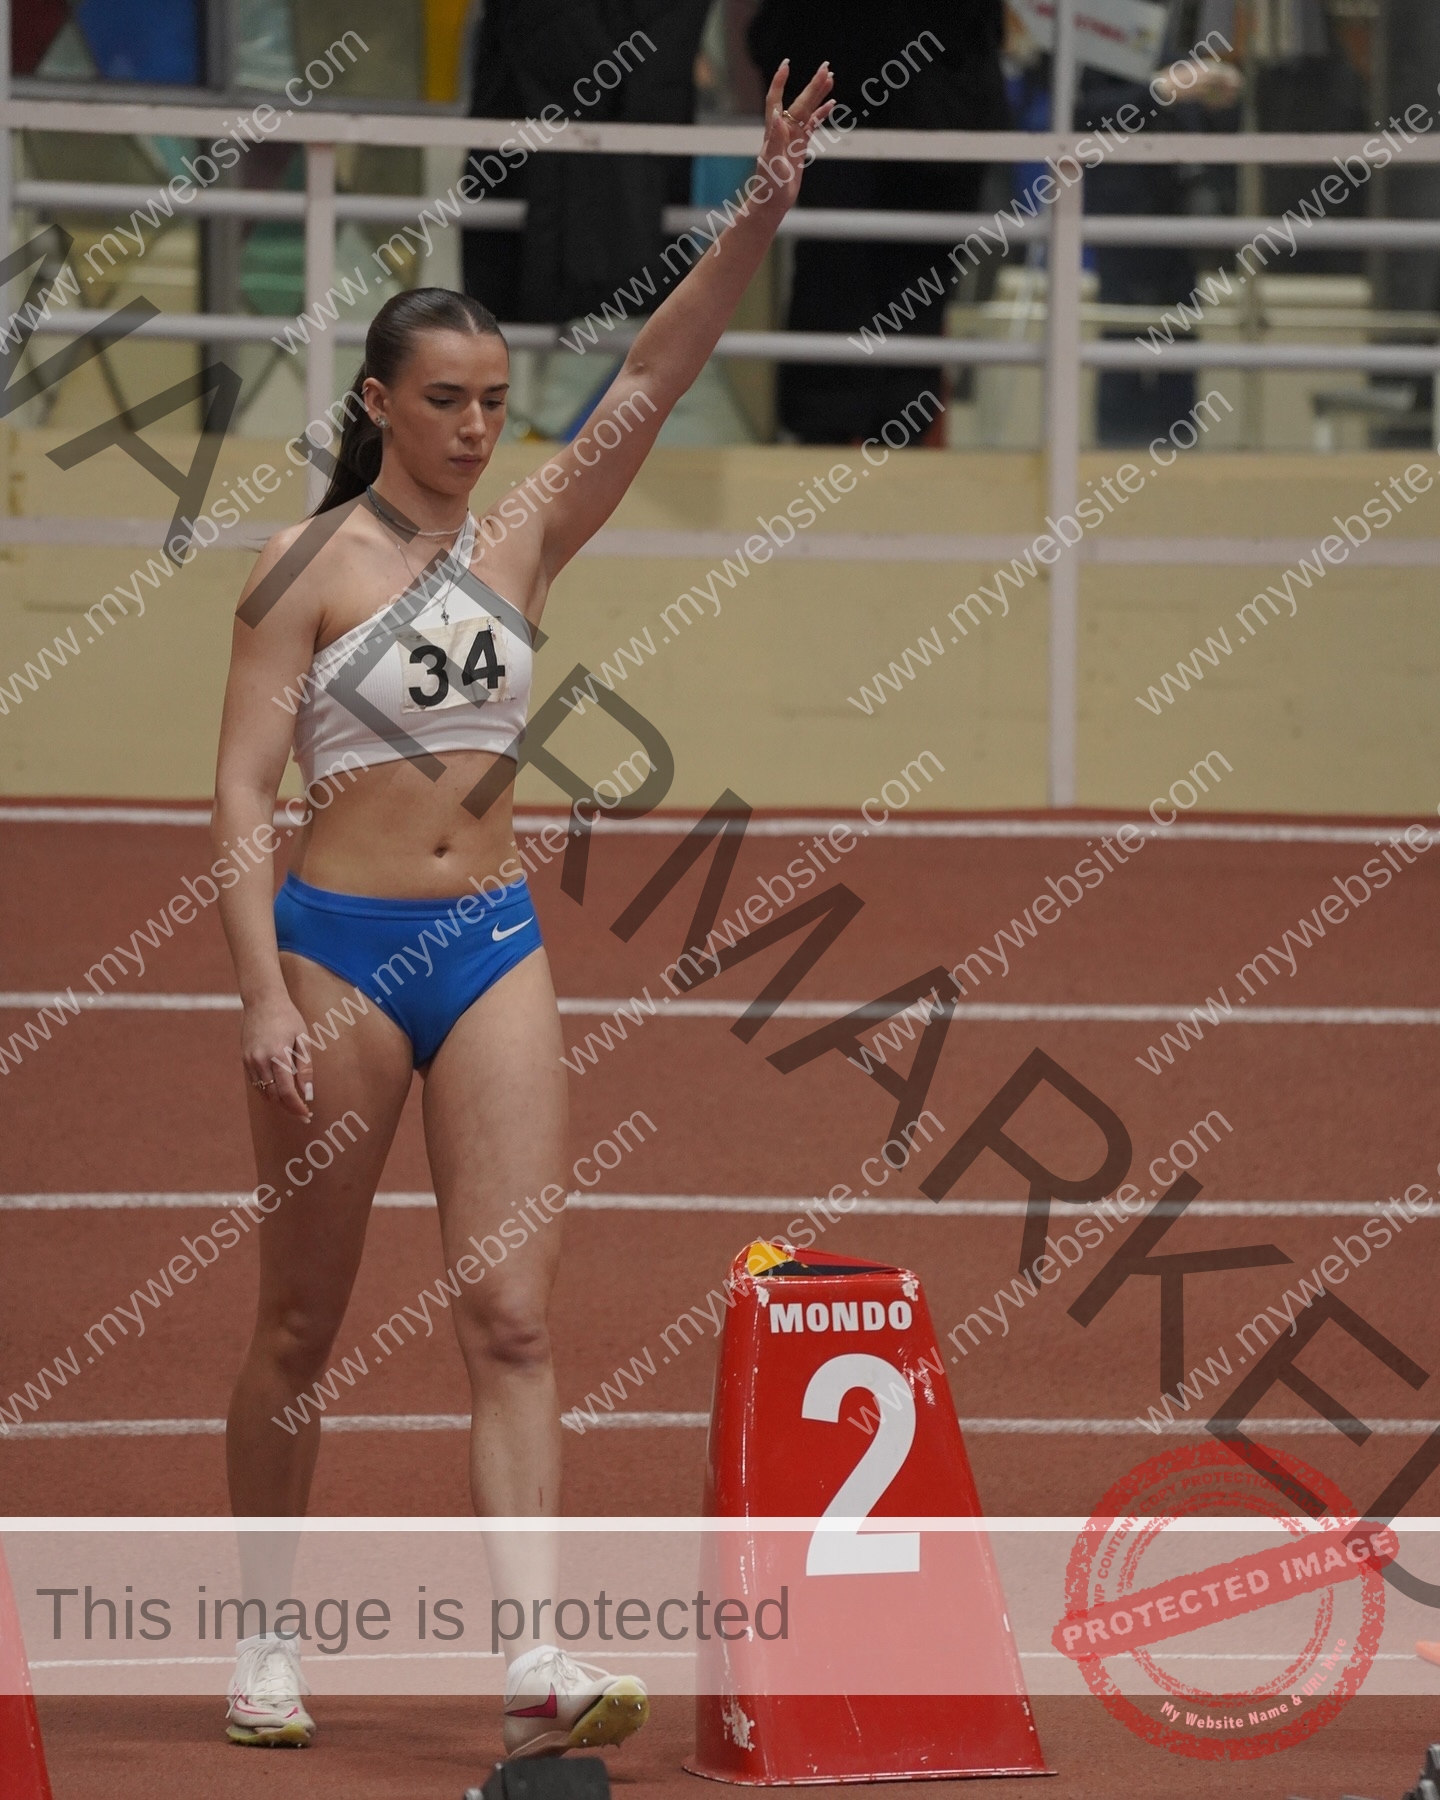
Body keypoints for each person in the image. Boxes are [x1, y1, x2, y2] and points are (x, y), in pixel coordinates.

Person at [209, 59, 835, 1759]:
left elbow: (655, 366)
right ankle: (265, 1640)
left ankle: (540, 1653)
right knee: (297, 1320)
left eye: (495, 399)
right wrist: (263, 993)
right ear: (381, 402)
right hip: (336, 957)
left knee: (515, 1313)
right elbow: (244, 800)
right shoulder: (302, 570)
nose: (483, 426)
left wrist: (761, 208)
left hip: (489, 949)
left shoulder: (529, 539)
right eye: (451, 401)